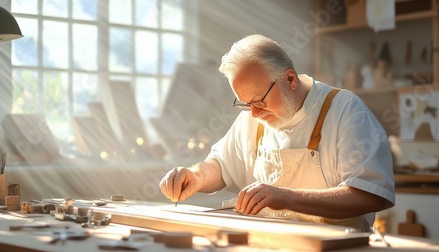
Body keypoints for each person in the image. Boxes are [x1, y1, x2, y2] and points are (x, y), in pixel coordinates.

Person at [158, 34, 395, 232]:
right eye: (245, 103)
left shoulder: (346, 112)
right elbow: (220, 165)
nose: (254, 113)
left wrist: (286, 198)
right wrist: (195, 175)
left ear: (290, 79)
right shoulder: (252, 119)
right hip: (271, 250)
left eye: (259, 101)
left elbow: (370, 195)